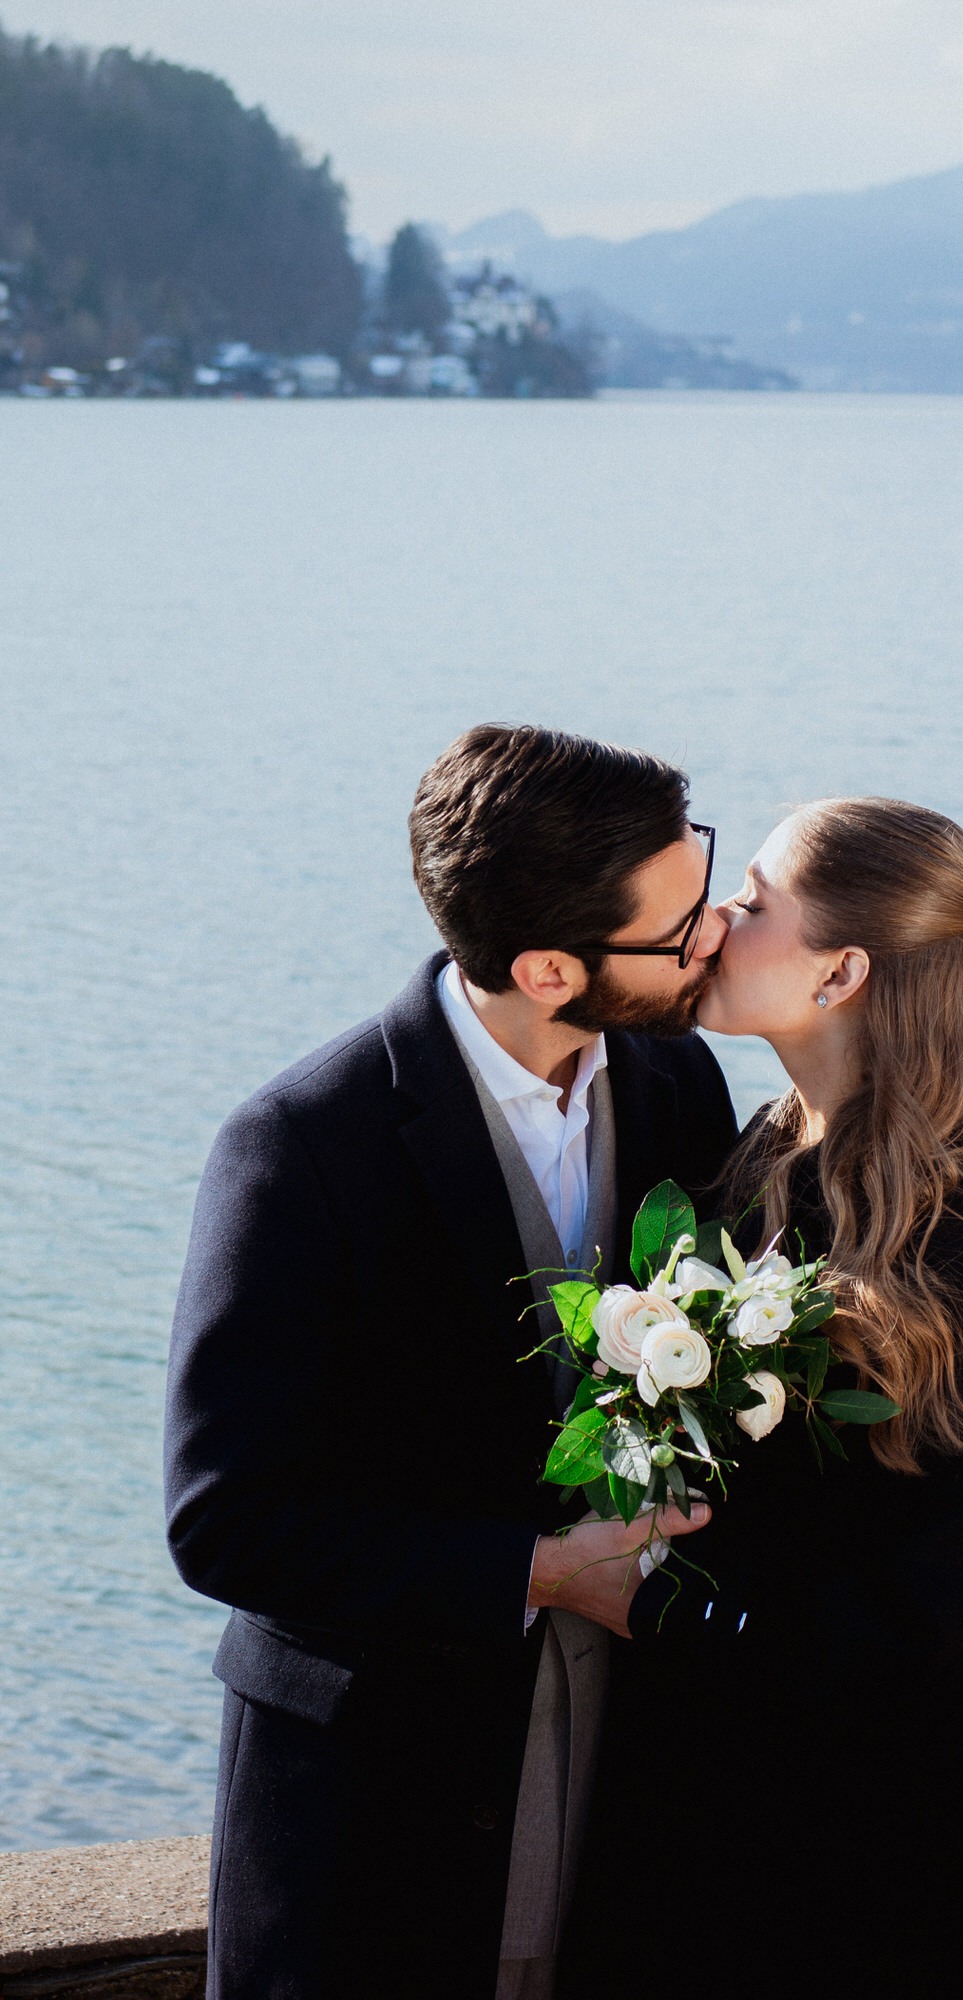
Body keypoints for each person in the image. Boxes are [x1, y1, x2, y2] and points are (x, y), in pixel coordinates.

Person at [163, 724, 737, 1999]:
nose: (717, 936)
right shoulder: (300, 1145)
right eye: (678, 924)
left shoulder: (680, 1084)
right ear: (546, 966)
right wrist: (533, 1572)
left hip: (626, 1775)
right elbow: (226, 1522)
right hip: (371, 1809)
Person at [563, 798, 963, 2000]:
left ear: (843, 972)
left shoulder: (962, 1253)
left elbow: (929, 1624)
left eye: (757, 902)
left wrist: (651, 1610)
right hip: (727, 1777)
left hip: (877, 1837)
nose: (717, 922)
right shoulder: (758, 1159)